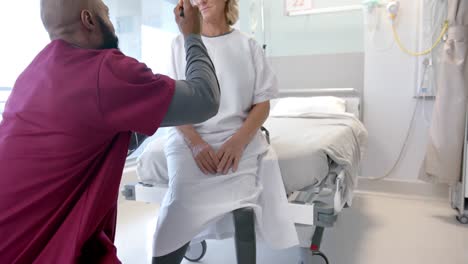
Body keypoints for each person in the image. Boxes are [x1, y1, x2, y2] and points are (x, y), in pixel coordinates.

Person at [0, 0, 220, 263]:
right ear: (89, 20)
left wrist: (147, 112)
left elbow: (93, 140)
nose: (110, 17)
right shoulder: (104, 70)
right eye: (106, 11)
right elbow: (205, 99)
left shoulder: (31, 76)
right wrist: (192, 35)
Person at [151, 0, 298, 263]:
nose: (202, 1)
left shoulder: (247, 45)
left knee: (243, 210)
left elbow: (262, 103)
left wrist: (239, 142)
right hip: (189, 139)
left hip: (238, 138)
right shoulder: (179, 45)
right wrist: (196, 143)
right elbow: (170, 103)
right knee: (178, 207)